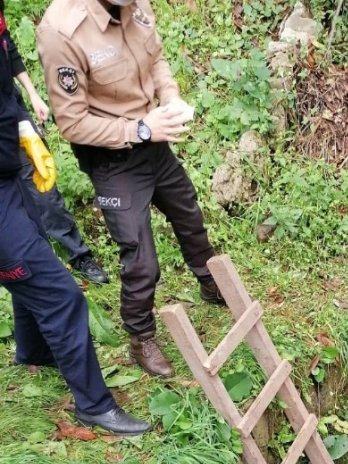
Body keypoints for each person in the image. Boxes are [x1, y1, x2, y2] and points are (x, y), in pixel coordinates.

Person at [37, 0, 225, 379]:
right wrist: (138, 130)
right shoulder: (62, 31)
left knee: (188, 213)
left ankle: (210, 284)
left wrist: (169, 97)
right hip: (112, 157)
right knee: (141, 258)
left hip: (154, 138)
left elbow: (155, 58)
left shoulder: (135, 5)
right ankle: (141, 337)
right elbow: (72, 124)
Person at [0, 6, 148, 436]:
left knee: (34, 259)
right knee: (61, 296)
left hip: (9, 174)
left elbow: (5, 65)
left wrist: (21, 123)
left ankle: (32, 351)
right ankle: (95, 406)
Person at [6, 24, 109, 285]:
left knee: (42, 184)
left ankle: (78, 255)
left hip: (10, 109)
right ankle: (39, 268)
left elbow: (7, 46)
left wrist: (32, 94)